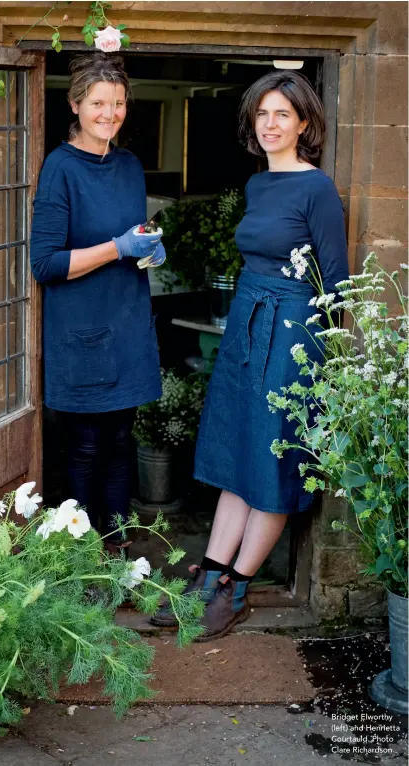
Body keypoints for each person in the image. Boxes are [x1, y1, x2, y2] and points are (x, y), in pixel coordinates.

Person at [152, 70, 349, 639]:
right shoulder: (259, 185)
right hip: (247, 320)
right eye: (262, 114)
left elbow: (334, 282)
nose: (271, 124)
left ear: (304, 123)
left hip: (290, 331)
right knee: (240, 450)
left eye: (283, 115)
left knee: (270, 457)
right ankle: (210, 574)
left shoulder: (318, 189)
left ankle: (237, 588)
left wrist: (314, 356)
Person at [30, 52, 165, 552]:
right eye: (98, 104)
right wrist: (118, 247)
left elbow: (134, 238)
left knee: (121, 444)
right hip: (81, 331)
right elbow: (45, 263)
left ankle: (119, 550)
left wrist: (148, 250)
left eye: (119, 103)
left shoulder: (129, 166)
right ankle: (83, 557)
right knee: (85, 448)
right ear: (76, 104)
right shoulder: (60, 168)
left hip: (127, 324)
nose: (110, 114)